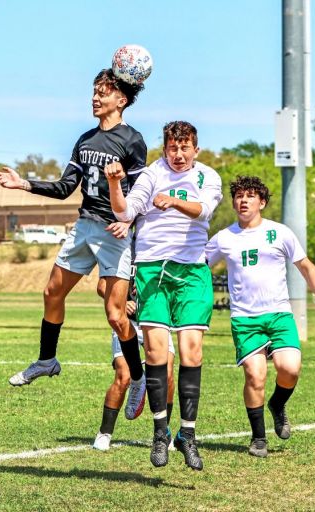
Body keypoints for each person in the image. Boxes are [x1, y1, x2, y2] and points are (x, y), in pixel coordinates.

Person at [0, 69, 147, 419]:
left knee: (115, 315)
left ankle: (137, 377)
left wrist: (130, 222)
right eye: (94, 92)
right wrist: (23, 185)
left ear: (121, 99)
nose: (96, 98)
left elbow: (142, 193)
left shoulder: (133, 140)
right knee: (52, 293)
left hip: (113, 232)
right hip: (84, 227)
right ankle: (47, 360)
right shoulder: (85, 140)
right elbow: (65, 187)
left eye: (103, 93)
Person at [104, 121, 222, 470]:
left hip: (191, 271)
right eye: (173, 148)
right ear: (165, 148)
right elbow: (126, 212)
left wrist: (173, 201)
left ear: (196, 150)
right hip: (153, 269)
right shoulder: (152, 173)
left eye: (185, 148)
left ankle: (188, 434)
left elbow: (205, 210)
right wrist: (114, 184)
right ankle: (160, 432)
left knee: (191, 351)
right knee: (156, 351)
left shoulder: (207, 177)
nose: (179, 154)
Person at [205, 175, 315, 458]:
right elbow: (198, 267)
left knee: (289, 369)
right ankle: (258, 438)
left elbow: (307, 268)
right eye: (239, 196)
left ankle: (277, 405)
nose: (243, 200)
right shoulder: (224, 238)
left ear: (262, 202)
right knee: (256, 375)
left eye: (250, 196)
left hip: (279, 315)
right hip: (245, 319)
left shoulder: (279, 233)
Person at [93, 277, 176, 451]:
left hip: (156, 321)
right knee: (123, 375)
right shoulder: (121, 251)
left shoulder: (162, 251)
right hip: (127, 322)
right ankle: (104, 433)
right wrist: (122, 301)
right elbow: (102, 286)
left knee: (167, 376)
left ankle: (162, 434)